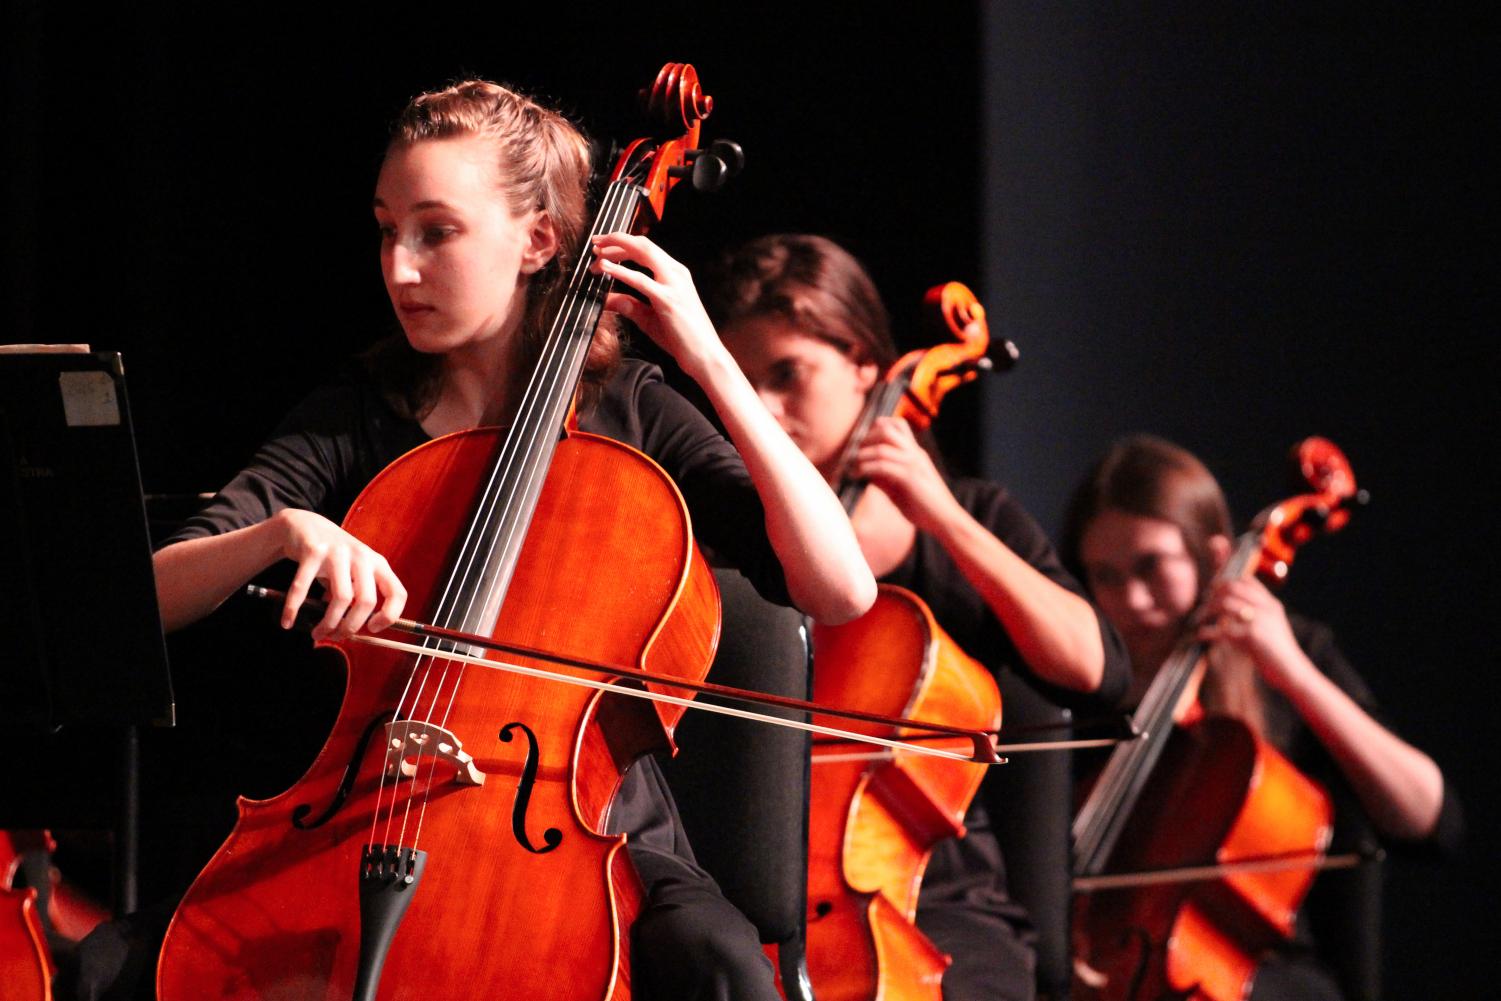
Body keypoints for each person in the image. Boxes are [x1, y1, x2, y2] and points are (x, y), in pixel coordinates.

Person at [147, 80, 875, 1001]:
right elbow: (148, 593)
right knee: (118, 963)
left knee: (722, 969)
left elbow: (840, 589)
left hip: (590, 829)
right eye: (386, 230)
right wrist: (276, 534)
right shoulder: (356, 416)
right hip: (363, 818)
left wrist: (708, 357)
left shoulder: (633, 411)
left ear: (537, 239)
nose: (399, 268)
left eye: (436, 232)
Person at [708, 233, 1131, 1001]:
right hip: (750, 898)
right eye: (741, 381)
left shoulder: (968, 516)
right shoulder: (735, 528)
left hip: (937, 909)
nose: (763, 408)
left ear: (867, 365)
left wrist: (941, 517)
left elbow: (1097, 670)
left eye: (787, 375)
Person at [1061, 434, 1463, 1001]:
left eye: (1152, 566)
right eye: (1106, 575)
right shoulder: (1087, 690)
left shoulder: (1293, 654)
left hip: (1270, 978)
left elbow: (1432, 821)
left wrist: (1293, 672)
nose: (1132, 599)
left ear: (1216, 557)